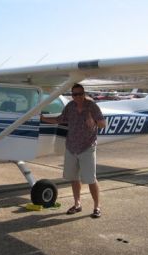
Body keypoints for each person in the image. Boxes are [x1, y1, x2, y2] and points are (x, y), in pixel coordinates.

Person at [41, 83, 106, 218]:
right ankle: (77, 204)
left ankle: (97, 207)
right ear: (72, 95)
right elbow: (60, 119)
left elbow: (102, 124)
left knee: (91, 179)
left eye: (80, 94)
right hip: (71, 146)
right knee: (74, 178)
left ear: (84, 94)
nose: (77, 97)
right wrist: (42, 118)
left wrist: (93, 121)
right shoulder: (70, 107)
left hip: (87, 147)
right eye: (74, 94)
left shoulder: (92, 106)